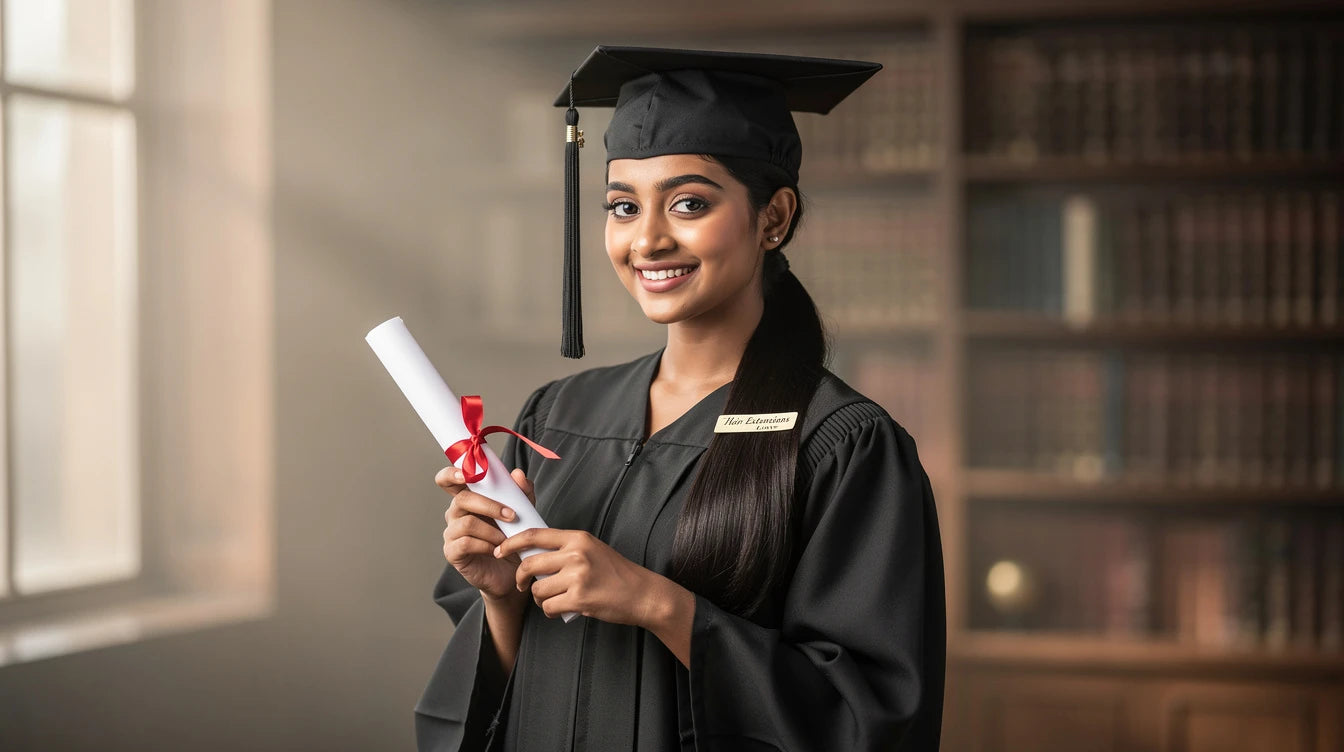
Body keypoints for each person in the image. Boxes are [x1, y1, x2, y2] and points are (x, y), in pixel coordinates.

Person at [415, 46, 945, 752]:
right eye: (623, 207)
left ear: (773, 217)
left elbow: (871, 721)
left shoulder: (841, 444)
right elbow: (493, 702)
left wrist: (656, 603)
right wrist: (501, 595)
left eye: (690, 203)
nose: (648, 239)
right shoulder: (557, 418)